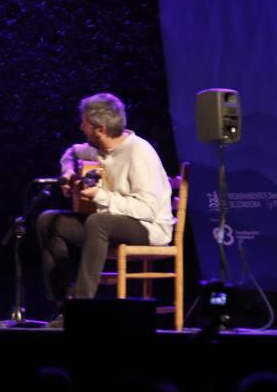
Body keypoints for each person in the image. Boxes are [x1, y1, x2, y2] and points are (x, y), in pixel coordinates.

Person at [36, 92, 174, 318]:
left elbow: (147, 210)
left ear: (100, 129)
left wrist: (100, 196)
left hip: (148, 228)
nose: (81, 127)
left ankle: (80, 310)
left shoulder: (139, 152)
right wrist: (69, 172)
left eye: (85, 123)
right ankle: (63, 305)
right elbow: (71, 152)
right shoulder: (99, 148)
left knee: (98, 221)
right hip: (105, 225)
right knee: (48, 221)